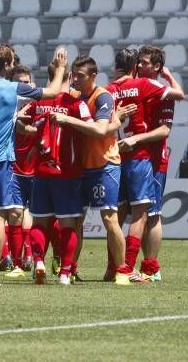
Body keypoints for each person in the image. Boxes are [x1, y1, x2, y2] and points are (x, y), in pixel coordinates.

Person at [0, 45, 68, 286]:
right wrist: (60, 68)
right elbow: (51, 92)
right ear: (8, 65)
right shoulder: (14, 89)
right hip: (0, 163)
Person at [52, 55, 138, 285]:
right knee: (76, 220)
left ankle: (123, 270)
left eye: (80, 76)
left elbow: (100, 131)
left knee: (109, 219)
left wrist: (67, 121)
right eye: (73, 75)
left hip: (104, 165)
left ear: (93, 76)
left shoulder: (103, 98)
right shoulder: (75, 96)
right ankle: (70, 268)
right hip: (81, 168)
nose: (75, 80)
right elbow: (56, 96)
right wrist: (60, 69)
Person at [106, 48, 184, 280]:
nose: (140, 66)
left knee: (152, 214)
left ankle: (149, 267)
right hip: (136, 158)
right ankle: (125, 267)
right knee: (135, 213)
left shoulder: (158, 94)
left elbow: (164, 130)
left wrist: (135, 138)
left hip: (152, 159)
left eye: (145, 62)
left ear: (157, 67)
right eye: (138, 62)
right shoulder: (145, 87)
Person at [24, 62, 91, 285]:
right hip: (67, 173)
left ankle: (39, 261)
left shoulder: (39, 102)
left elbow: (21, 124)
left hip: (42, 172)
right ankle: (64, 274)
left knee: (39, 223)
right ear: (70, 76)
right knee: (68, 225)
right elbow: (93, 130)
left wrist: (35, 136)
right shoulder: (76, 103)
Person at [2, 64, 38, 277]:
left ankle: (29, 255)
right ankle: (15, 262)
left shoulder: (37, 102)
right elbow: (16, 127)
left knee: (31, 212)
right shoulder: (8, 103)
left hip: (35, 166)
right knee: (14, 212)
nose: (23, 87)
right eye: (19, 83)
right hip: (12, 164)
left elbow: (42, 126)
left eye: (26, 83)